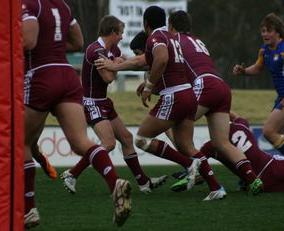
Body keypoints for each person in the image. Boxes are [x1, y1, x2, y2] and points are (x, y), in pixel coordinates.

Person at [96, 6, 227, 201]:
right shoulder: (172, 36)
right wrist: (117, 65)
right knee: (186, 145)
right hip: (189, 95)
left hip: (174, 96)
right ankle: (216, 187)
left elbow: (162, 58)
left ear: (145, 23)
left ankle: (189, 165)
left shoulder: (156, 37)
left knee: (141, 139)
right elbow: (143, 62)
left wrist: (149, 85)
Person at [22, 1, 132, 228]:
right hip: (67, 75)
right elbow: (77, 42)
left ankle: (29, 208)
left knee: (20, 144)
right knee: (82, 142)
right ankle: (115, 184)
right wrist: (53, 46)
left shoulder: (28, 3)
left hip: (41, 75)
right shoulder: (62, 4)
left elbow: (29, 40)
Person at [153, 10, 261, 195]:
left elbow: (160, 63)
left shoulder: (174, 40)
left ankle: (197, 172)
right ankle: (253, 179)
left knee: (176, 128)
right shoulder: (197, 40)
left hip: (204, 85)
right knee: (222, 143)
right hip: (220, 86)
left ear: (171, 26)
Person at [60, 15, 167, 195]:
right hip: (92, 103)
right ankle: (72, 174)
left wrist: (123, 62)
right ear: (112, 32)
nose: (122, 37)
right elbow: (109, 78)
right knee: (108, 143)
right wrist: (118, 63)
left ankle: (143, 182)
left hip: (104, 102)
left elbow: (125, 61)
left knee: (125, 138)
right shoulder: (95, 50)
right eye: (121, 33)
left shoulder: (113, 49)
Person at [232, 13, 284, 155]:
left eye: (269, 31)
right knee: (276, 135)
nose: (265, 34)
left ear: (278, 32)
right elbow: (258, 68)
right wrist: (243, 71)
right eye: (263, 31)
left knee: (268, 131)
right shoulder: (264, 50)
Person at [200, 111, 284, 193]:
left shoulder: (210, 146)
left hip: (257, 181)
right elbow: (237, 116)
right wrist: (218, 108)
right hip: (272, 166)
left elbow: (197, 161)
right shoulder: (240, 125)